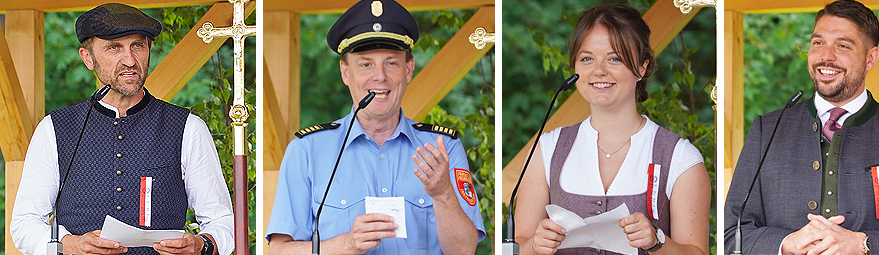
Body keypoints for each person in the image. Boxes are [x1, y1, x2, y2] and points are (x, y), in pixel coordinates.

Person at [723, 0, 879, 254]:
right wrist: (786, 244)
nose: (826, 56)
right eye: (818, 43)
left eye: (842, 46)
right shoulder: (768, 129)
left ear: (871, 58)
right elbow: (731, 233)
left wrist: (864, 244)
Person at [10, 3, 235, 255]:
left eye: (137, 45)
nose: (129, 60)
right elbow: (25, 222)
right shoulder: (54, 128)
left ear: (149, 49)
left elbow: (222, 221)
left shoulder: (188, 128)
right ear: (88, 58)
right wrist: (69, 245)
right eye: (114, 47)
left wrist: (201, 245)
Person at [265, 0, 486, 254]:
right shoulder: (306, 151)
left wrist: (443, 194)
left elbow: (464, 250)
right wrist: (345, 243)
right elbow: (280, 250)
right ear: (345, 72)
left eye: (391, 63)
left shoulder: (443, 148)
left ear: (408, 70)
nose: (380, 76)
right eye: (366, 64)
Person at [513, 4, 710, 255]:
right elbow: (516, 244)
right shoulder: (545, 150)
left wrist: (657, 241)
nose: (598, 71)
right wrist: (533, 245)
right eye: (587, 58)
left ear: (642, 67)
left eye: (614, 58)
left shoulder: (681, 158)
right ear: (575, 69)